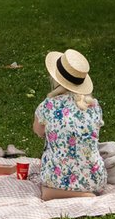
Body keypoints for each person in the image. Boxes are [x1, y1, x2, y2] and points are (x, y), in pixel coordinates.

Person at [33, 49, 106, 200]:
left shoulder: (48, 105)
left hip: (55, 179)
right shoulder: (94, 105)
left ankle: (69, 194)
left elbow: (38, 131)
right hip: (95, 178)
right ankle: (85, 191)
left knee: (46, 190)